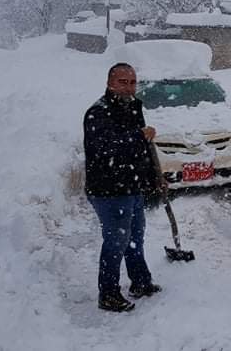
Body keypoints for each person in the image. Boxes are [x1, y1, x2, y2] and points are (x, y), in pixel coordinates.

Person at [83, 63, 163, 313]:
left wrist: (154, 177)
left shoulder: (132, 107)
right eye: (122, 82)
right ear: (110, 83)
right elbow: (106, 148)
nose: (128, 87)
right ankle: (108, 294)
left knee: (135, 237)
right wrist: (140, 136)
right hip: (108, 190)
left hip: (132, 186)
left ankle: (140, 281)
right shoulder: (98, 113)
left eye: (132, 82)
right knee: (116, 241)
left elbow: (141, 151)